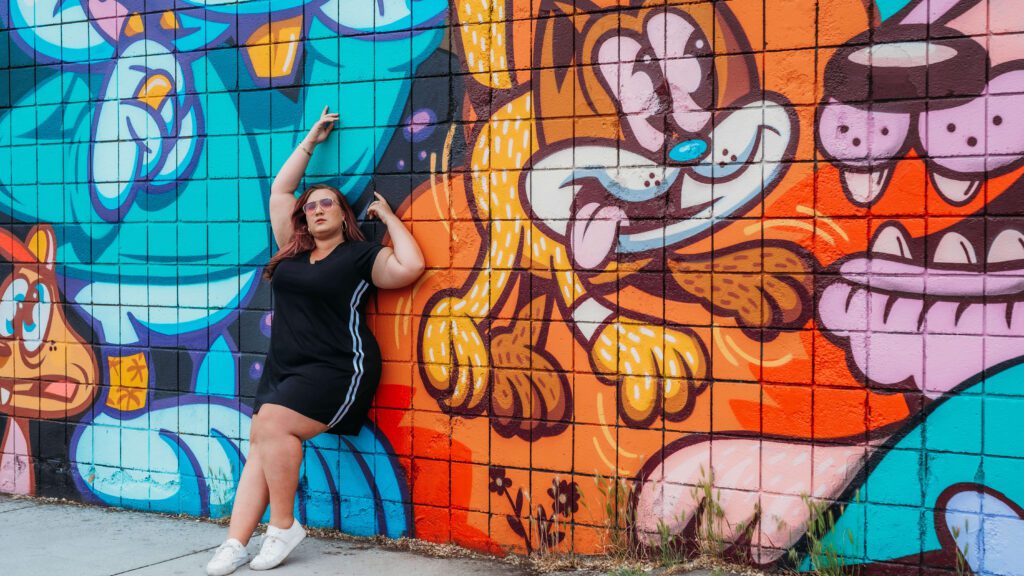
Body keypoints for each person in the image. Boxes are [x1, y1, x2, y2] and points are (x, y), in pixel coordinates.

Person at [206, 107, 425, 575]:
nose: (317, 209)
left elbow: (410, 267)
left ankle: (283, 526)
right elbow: (281, 190)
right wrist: (311, 141)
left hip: (339, 368)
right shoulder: (292, 250)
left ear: (344, 215)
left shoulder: (361, 255)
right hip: (286, 366)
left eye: (327, 203)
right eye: (311, 206)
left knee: (272, 428)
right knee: (263, 442)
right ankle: (235, 542)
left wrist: (387, 217)